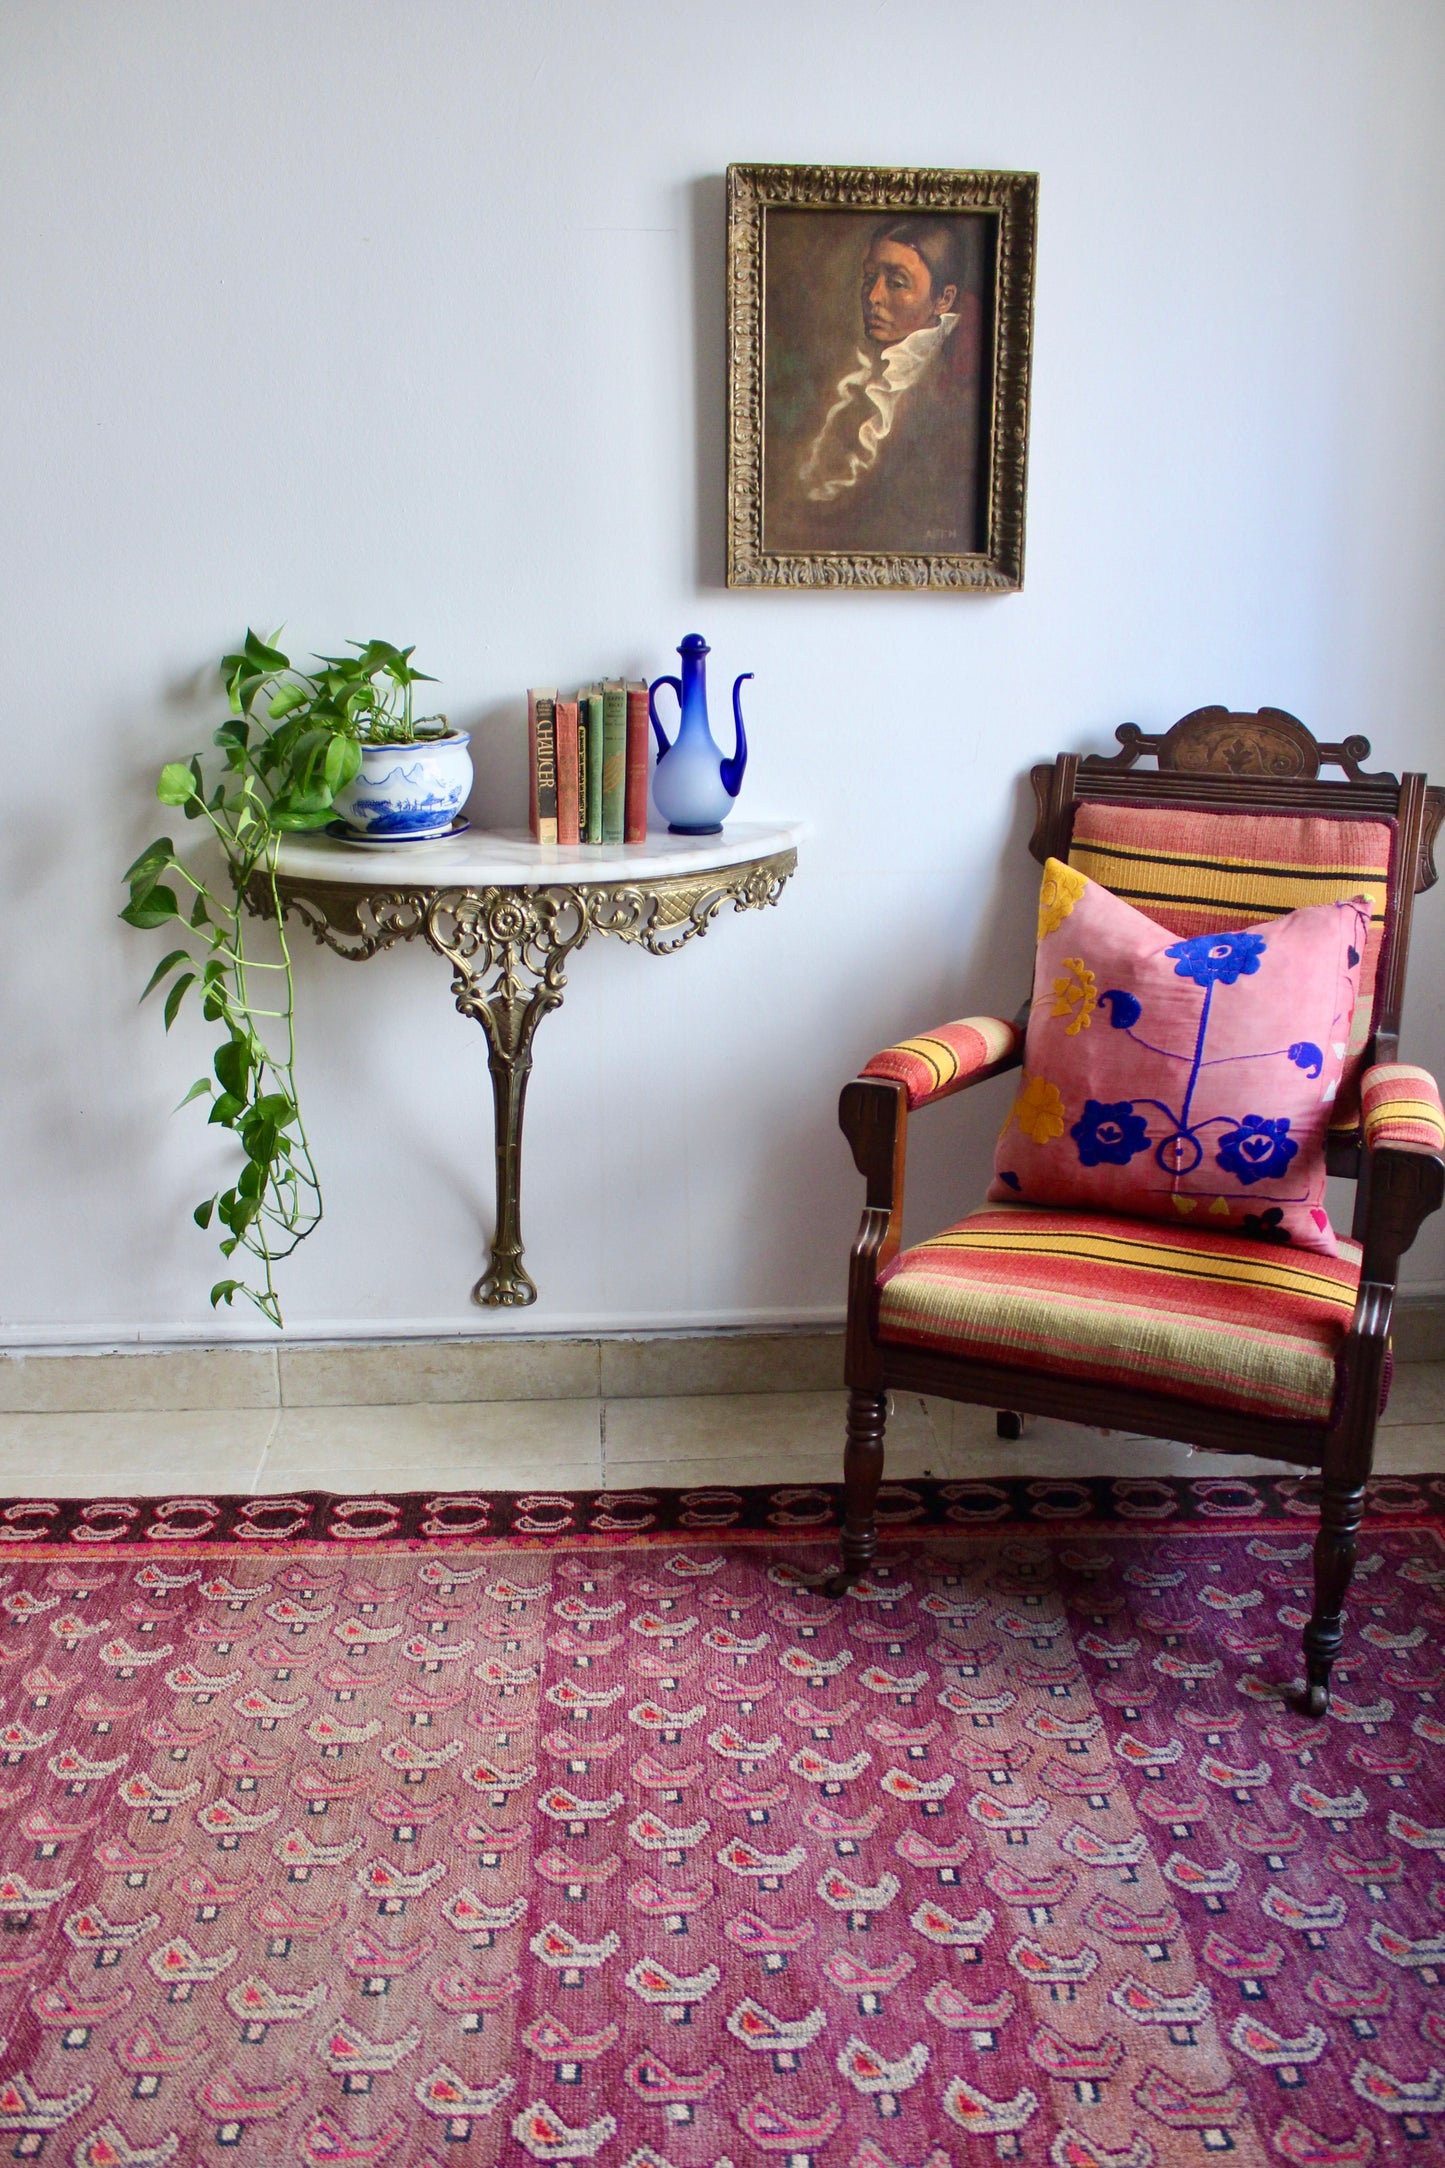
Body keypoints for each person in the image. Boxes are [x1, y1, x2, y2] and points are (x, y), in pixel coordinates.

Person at [773, 216, 982, 556]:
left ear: (943, 300)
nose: (873, 296)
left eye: (897, 283)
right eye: (870, 278)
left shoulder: (953, 390)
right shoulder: (858, 371)